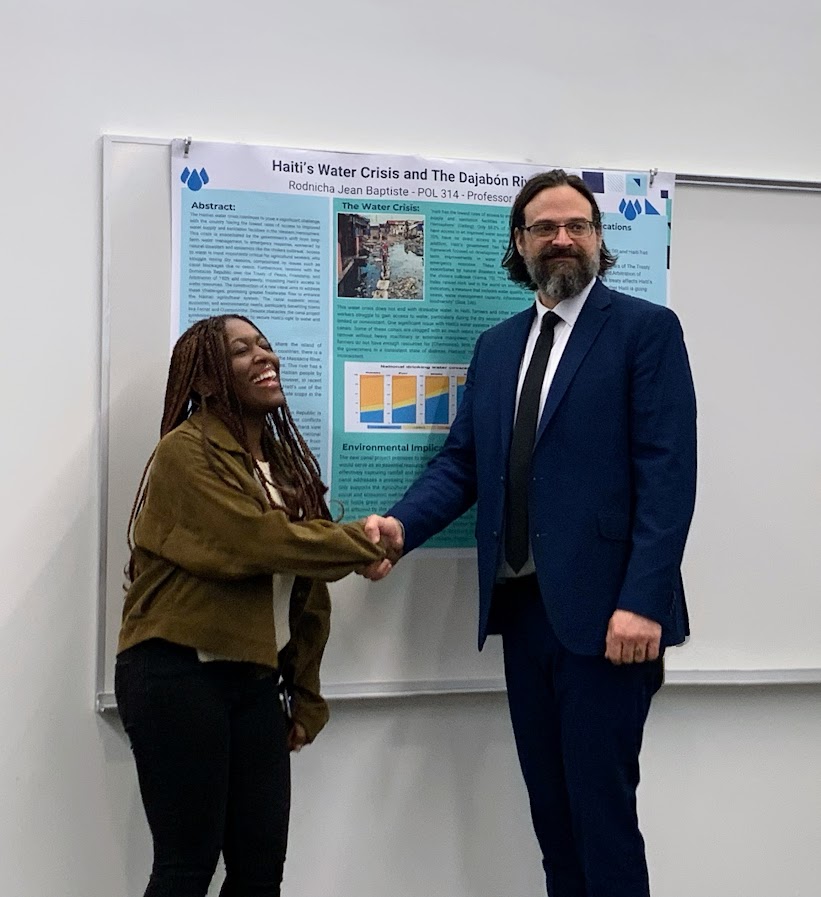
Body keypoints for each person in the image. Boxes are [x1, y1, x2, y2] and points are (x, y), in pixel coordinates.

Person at [362, 170, 697, 897]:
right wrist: (398, 527)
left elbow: (667, 476)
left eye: (577, 224)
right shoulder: (497, 346)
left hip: (610, 619)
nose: (562, 238)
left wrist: (641, 599)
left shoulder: (643, 330)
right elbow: (462, 465)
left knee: (601, 819)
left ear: (598, 239)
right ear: (520, 243)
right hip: (524, 613)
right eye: (544, 227)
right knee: (552, 820)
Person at [115, 314, 390, 897]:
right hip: (176, 672)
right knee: (186, 867)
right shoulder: (185, 454)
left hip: (253, 682)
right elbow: (255, 543)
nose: (263, 356)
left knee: (260, 870)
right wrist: (360, 544)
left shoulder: (286, 468)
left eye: (264, 344)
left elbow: (308, 596)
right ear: (207, 379)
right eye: (241, 350)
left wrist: (306, 695)